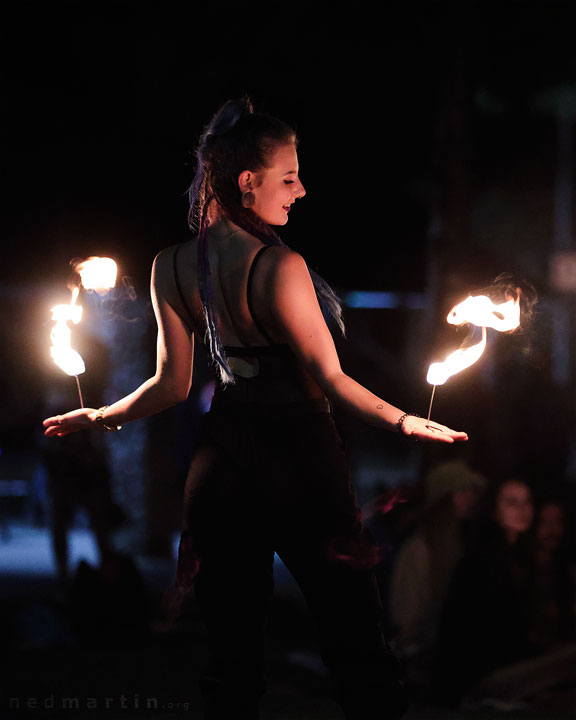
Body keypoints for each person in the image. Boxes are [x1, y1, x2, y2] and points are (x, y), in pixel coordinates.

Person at [43, 98, 468, 719]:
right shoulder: (281, 265)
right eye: (289, 176)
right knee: (355, 642)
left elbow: (171, 384)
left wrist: (100, 416)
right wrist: (403, 420)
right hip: (300, 458)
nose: (301, 190)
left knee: (231, 657)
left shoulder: (173, 264)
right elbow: (329, 375)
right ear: (249, 181)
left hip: (223, 462)